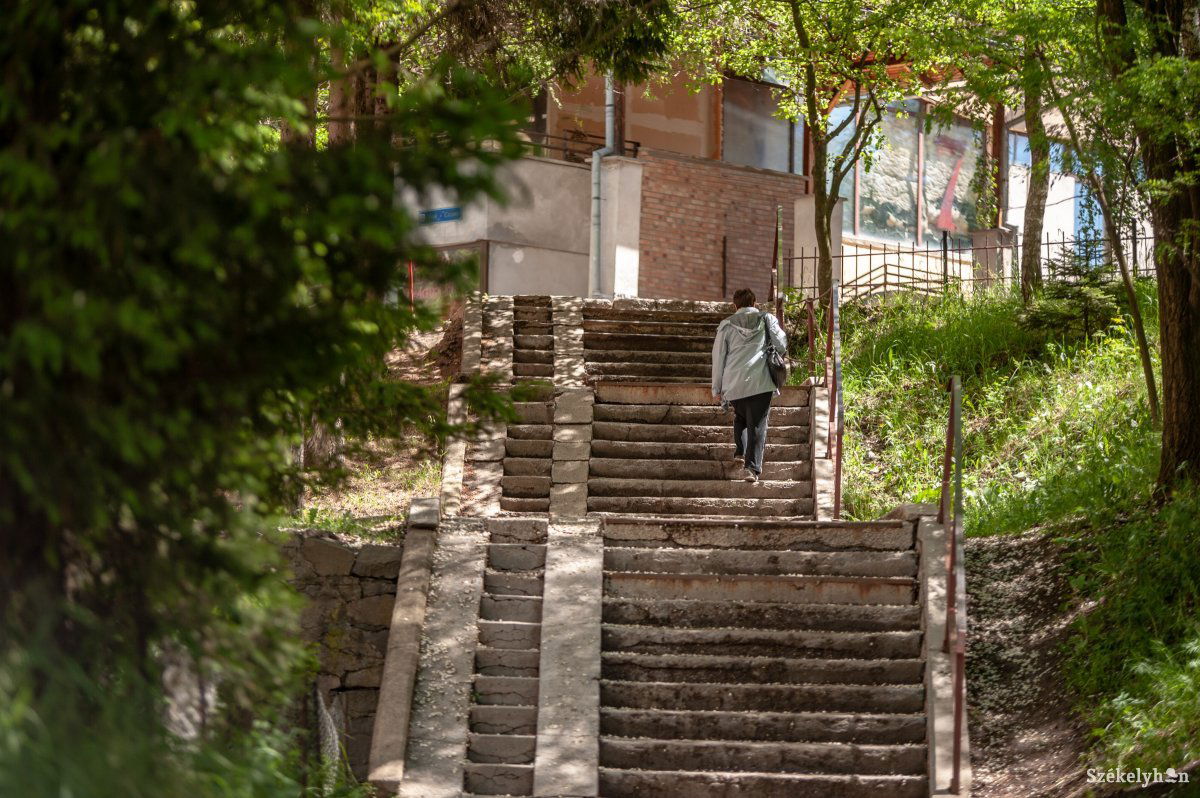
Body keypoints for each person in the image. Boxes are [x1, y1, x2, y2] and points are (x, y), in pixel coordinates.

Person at [711, 288, 787, 483]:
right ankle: (751, 468)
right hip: (760, 381)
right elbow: (781, 344)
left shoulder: (726, 325)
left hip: (733, 382)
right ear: (754, 303)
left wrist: (716, 388)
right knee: (757, 425)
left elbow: (718, 358)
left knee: (742, 416)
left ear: (734, 305)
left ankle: (740, 451)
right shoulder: (766, 319)